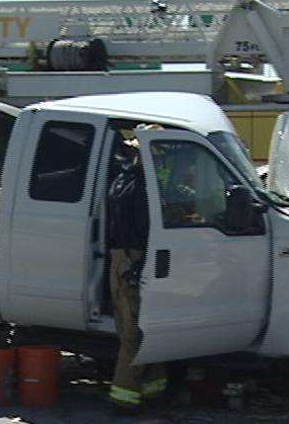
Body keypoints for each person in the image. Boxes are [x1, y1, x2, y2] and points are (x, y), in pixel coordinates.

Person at [106, 131, 167, 411]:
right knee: (135, 336)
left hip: (121, 261)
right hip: (136, 262)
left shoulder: (122, 179)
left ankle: (153, 388)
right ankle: (124, 398)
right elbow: (145, 229)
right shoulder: (144, 188)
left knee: (145, 330)